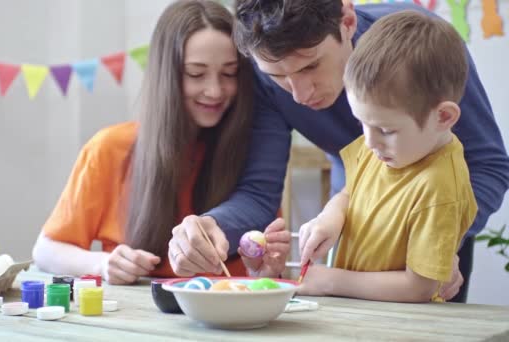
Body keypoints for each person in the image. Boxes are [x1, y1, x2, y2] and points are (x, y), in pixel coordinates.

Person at [169, 0, 509, 303]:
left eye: (309, 66)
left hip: (431, 224)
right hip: (350, 236)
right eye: (278, 75)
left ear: (346, 21)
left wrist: (440, 239)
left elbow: (488, 165)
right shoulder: (263, 80)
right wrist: (213, 225)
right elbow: (259, 192)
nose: (299, 95)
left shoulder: (421, 46)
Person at [31, 0, 290, 285]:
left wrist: (266, 267)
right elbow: (45, 250)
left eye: (229, 73)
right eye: (196, 74)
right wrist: (103, 263)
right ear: (166, 74)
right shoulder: (110, 148)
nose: (215, 90)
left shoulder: (255, 154)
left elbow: (265, 266)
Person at [294, 10, 476, 302]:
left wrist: (331, 281)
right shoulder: (384, 148)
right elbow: (352, 192)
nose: (369, 141)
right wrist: (330, 218)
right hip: (358, 315)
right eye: (361, 123)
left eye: (386, 129)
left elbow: (419, 287)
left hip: (402, 326)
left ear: (443, 116)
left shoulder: (439, 184)